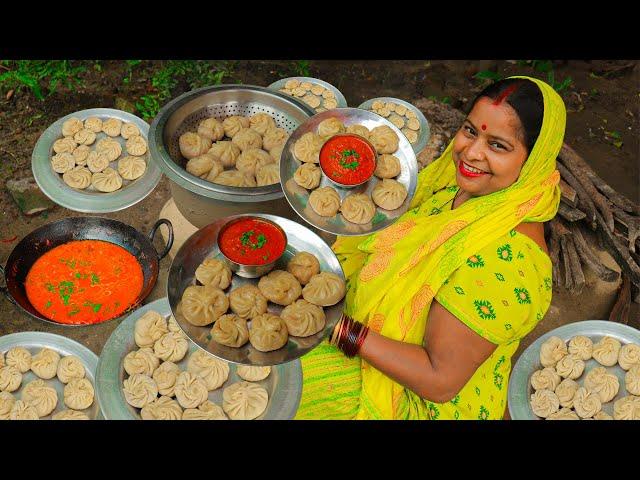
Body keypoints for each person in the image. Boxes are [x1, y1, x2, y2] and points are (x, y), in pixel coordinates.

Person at [294, 76, 566, 420]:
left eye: (497, 145)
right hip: (373, 338)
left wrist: (333, 326)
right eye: (470, 131)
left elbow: (440, 382)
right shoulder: (461, 190)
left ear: (533, 163)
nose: (471, 152)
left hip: (413, 400)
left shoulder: (506, 265)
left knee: (281, 372)